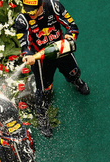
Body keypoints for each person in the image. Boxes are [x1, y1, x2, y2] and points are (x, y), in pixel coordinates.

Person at [15, 0, 90, 138]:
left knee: (74, 73)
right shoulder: (22, 19)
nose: (30, 14)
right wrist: (27, 55)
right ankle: (42, 115)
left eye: (33, 11)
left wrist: (70, 36)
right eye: (27, 10)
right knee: (44, 91)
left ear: (41, 5)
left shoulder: (54, 6)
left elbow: (72, 25)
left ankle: (76, 81)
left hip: (61, 50)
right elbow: (24, 43)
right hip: (40, 60)